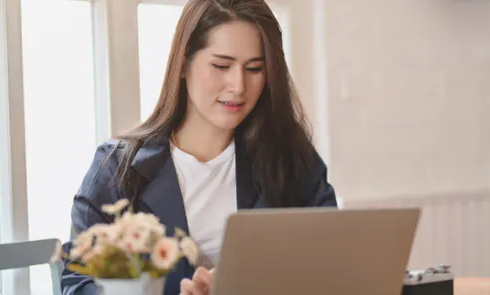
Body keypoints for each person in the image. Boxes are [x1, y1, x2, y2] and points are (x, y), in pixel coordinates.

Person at [59, 0, 338, 294]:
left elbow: (334, 259)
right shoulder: (117, 167)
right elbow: (78, 283)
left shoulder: (290, 158)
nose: (238, 85)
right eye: (221, 65)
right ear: (183, 64)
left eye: (254, 68)